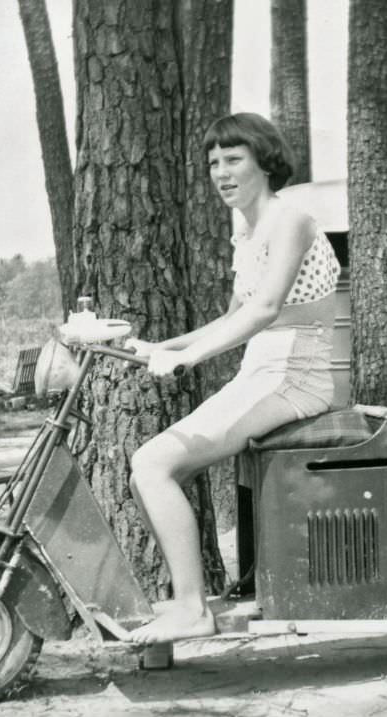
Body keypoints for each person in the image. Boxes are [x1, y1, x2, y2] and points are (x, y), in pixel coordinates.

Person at [124, 113, 340, 644]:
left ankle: (193, 611)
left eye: (233, 159)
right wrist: (159, 347)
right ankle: (186, 600)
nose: (221, 172)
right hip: (262, 370)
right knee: (144, 473)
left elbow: (265, 309)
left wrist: (190, 359)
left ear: (264, 162)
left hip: (294, 375)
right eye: (213, 162)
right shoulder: (245, 230)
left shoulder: (289, 220)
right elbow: (230, 318)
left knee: (152, 463)